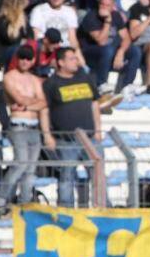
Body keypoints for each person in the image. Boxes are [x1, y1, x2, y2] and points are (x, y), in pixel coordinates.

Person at [0, 45, 46, 215]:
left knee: (30, 169)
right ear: (17, 59)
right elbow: (19, 98)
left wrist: (27, 103)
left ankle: (25, 203)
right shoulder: (9, 77)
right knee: (20, 163)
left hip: (34, 127)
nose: (25, 62)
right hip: (18, 126)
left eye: (28, 58)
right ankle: (0, 198)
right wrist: (31, 101)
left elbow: (43, 102)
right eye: (22, 58)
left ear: (33, 60)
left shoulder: (34, 79)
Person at [40, 47, 103, 208]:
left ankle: (102, 208)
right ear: (61, 62)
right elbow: (45, 110)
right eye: (72, 58)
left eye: (76, 58)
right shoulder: (51, 84)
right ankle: (66, 211)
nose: (77, 61)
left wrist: (98, 130)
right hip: (66, 140)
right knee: (67, 177)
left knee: (98, 176)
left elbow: (95, 104)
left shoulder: (86, 78)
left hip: (90, 138)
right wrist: (47, 135)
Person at [78, 0, 141, 92]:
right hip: (90, 54)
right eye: (102, 4)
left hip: (109, 53)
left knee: (135, 51)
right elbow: (101, 42)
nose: (104, 7)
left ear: (113, 7)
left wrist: (120, 52)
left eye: (107, 5)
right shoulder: (90, 17)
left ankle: (127, 86)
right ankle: (101, 84)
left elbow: (126, 38)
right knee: (107, 49)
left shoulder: (116, 15)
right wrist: (107, 21)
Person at [29, 0, 84, 65]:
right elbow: (36, 36)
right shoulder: (38, 10)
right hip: (48, 49)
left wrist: (79, 58)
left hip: (66, 50)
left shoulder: (70, 12)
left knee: (82, 67)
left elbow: (72, 38)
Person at [0, 0, 31, 67]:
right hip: (2, 54)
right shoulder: (1, 20)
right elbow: (10, 39)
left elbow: (30, 35)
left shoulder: (23, 18)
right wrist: (19, 28)